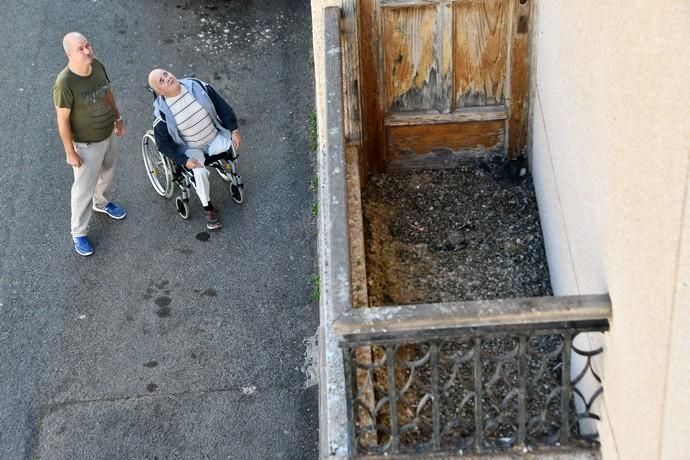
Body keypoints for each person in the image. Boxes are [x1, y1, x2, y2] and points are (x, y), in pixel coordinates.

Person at [53, 32, 127, 257]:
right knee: (82, 190)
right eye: (80, 49)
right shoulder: (65, 83)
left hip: (107, 134)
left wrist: (117, 117)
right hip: (86, 145)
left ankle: (101, 202)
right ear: (68, 54)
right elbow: (62, 120)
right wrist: (70, 151)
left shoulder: (98, 66)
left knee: (107, 173)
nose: (87, 51)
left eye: (87, 45)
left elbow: (107, 93)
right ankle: (79, 232)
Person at [147, 69, 241, 230]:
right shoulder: (161, 113)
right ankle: (208, 208)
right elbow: (163, 145)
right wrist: (184, 160)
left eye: (166, 74)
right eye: (161, 81)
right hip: (192, 149)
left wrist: (234, 129)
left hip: (214, 137)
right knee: (199, 172)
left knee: (232, 145)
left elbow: (221, 105)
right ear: (159, 91)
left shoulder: (196, 86)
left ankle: (231, 176)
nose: (167, 78)